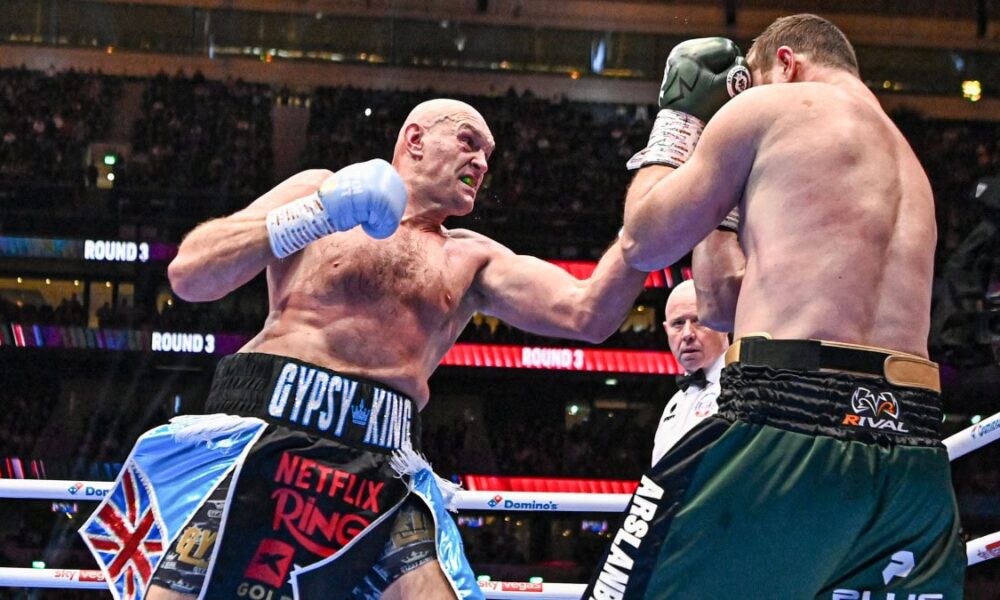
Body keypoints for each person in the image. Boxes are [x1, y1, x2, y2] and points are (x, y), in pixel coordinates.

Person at [79, 98, 647, 600]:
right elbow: (190, 274)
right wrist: (318, 212)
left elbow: (588, 312)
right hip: (262, 424)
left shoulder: (474, 258)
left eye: (489, 156)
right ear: (415, 140)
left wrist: (656, 195)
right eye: (469, 142)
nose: (481, 162)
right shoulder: (316, 189)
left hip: (382, 459)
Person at [585, 16, 966, 599]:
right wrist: (729, 204)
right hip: (913, 450)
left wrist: (679, 123)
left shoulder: (771, 110)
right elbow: (721, 304)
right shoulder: (911, 164)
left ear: (785, 63)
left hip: (786, 419)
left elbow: (642, 240)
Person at [651, 280, 729, 466]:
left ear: (724, 325)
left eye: (698, 321)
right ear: (666, 330)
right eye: (678, 324)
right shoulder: (674, 404)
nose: (687, 334)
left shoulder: (744, 389)